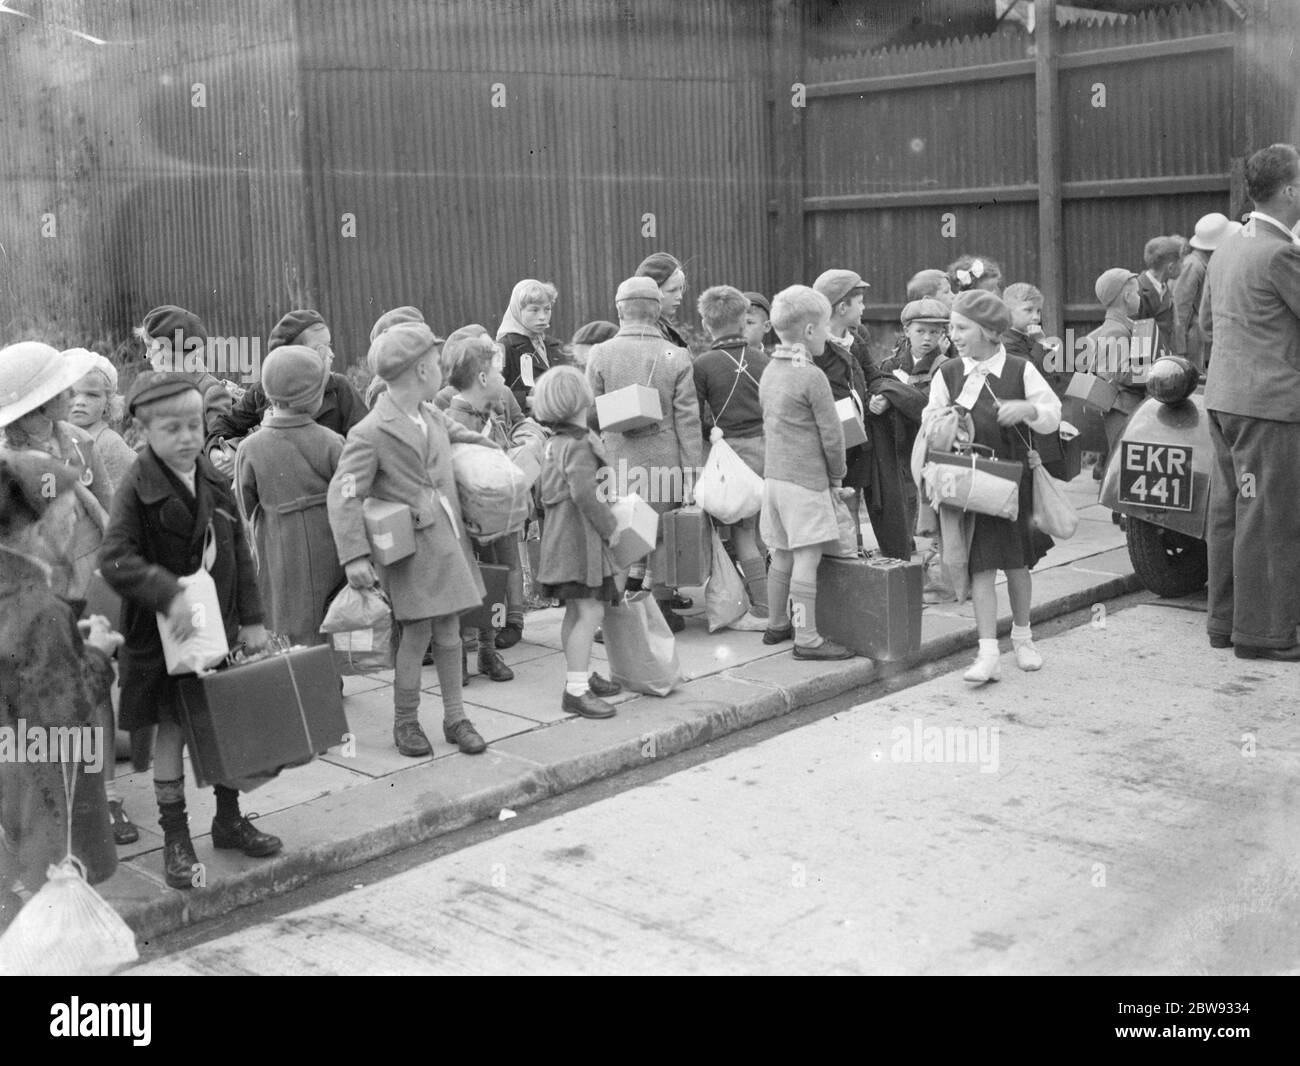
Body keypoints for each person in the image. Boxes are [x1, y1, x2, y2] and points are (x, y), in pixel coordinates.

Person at [99, 372, 279, 891]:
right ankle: (176, 838)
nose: (186, 437)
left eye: (194, 424)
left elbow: (240, 548)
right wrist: (166, 591)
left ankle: (228, 818)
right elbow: (115, 560)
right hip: (161, 636)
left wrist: (253, 619)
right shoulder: (135, 486)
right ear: (143, 431)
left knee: (219, 721)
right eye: (171, 428)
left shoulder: (211, 475)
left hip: (216, 625)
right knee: (171, 733)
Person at [327, 323, 501, 757]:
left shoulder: (430, 413)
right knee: (416, 635)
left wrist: (497, 455)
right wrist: (354, 555)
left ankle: (456, 717)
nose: (441, 368)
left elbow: (458, 436)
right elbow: (344, 493)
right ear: (420, 370)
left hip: (448, 540)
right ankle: (406, 721)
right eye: (435, 362)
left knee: (450, 631)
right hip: (412, 551)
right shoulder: (370, 431)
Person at [0, 454, 121, 931]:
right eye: (69, 517)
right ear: (37, 530)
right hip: (44, 786)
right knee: (52, 922)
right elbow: (64, 712)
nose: (74, 528)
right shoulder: (40, 609)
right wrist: (95, 653)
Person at [922, 290, 1061, 684]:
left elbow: (1053, 414)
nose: (954, 335)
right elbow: (929, 420)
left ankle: (1023, 637)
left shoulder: (1020, 369)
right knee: (980, 566)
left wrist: (1029, 409)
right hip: (969, 482)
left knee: (1017, 563)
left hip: (1014, 481)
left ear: (988, 331)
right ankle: (987, 651)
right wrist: (945, 421)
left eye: (962, 327)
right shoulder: (948, 373)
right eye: (952, 327)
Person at [1199, 143, 1300, 660]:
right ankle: (1266, 636)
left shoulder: (1228, 249)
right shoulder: (1281, 253)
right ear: (1289, 190)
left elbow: (1206, 327)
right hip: (1270, 406)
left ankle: (1225, 622)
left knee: (1231, 511)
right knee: (1270, 516)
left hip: (1225, 400)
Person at [586, 276, 703, 633]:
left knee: (623, 531)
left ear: (619, 310)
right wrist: (691, 471)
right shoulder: (676, 355)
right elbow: (688, 419)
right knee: (662, 532)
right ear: (655, 313)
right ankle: (663, 607)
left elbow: (590, 412)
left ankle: (617, 614)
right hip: (664, 457)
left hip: (617, 458)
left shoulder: (600, 353)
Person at [758, 285, 851, 660]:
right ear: (811, 331)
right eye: (826, 327)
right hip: (805, 481)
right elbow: (832, 435)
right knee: (807, 557)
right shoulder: (812, 376)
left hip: (774, 478)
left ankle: (776, 623)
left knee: (780, 553)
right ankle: (807, 637)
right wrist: (837, 475)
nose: (828, 335)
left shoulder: (771, 370)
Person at [234, 345, 345, 647]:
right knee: (329, 610)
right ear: (314, 396)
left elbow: (245, 504)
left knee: (286, 613)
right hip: (328, 541)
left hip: (278, 542)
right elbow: (350, 495)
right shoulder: (332, 441)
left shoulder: (251, 447)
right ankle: (329, 678)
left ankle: (296, 676)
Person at [532, 366, 625, 718]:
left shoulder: (556, 441)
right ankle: (576, 689)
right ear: (580, 400)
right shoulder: (579, 443)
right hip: (579, 540)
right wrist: (610, 526)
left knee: (576, 610)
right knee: (591, 610)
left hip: (562, 538)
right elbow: (586, 494)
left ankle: (581, 674)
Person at [440, 331, 532, 682]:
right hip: (467, 522)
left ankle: (488, 651)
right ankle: (462, 655)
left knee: (493, 581)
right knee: (467, 584)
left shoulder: (492, 411)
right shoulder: (455, 421)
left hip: (497, 519)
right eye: (497, 372)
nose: (502, 378)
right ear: (481, 378)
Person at [0, 343, 112, 603]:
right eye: (63, 391)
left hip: (97, 564)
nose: (73, 394)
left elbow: (108, 500)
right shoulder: (10, 464)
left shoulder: (77, 439)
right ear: (40, 405)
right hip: (46, 580)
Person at [205, 309, 365, 474]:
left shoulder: (339, 388)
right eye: (319, 349)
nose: (331, 354)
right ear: (289, 356)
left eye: (329, 346)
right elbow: (225, 423)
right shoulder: (263, 391)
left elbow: (363, 442)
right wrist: (218, 453)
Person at [693, 285, 771, 622]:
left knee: (740, 532)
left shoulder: (704, 365)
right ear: (743, 319)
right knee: (761, 530)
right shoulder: (763, 360)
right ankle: (774, 598)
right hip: (767, 451)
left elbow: (695, 417)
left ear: (706, 324)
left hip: (730, 456)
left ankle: (765, 604)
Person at [1081, 267, 1143, 469]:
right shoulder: (1116, 330)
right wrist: (1151, 375)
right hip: (1122, 407)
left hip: (1123, 405)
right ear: (1127, 296)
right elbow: (1121, 373)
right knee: (1124, 463)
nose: (1139, 297)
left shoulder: (1121, 326)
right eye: (1137, 293)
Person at [1172, 213, 1240, 369]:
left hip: (1204, 339)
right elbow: (1180, 309)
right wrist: (1180, 349)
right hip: (1192, 340)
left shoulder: (1208, 263)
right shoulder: (1193, 265)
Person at [65, 350, 137, 496]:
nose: (80, 402)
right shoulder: (58, 437)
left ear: (108, 403)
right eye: (72, 394)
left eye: (92, 395)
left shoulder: (109, 443)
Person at [497, 279, 567, 412]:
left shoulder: (555, 345)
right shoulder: (503, 347)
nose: (542, 316)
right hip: (525, 426)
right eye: (534, 310)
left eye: (547, 309)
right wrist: (527, 401)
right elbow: (493, 393)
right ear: (518, 310)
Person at [635, 252, 690, 349]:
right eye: (672, 290)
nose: (679, 296)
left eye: (681, 289)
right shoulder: (647, 334)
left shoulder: (663, 328)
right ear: (652, 293)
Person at [1136, 236, 1182, 341]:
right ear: (1170, 267)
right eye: (1180, 262)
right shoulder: (1139, 292)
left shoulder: (1164, 287)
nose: (1183, 266)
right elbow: (1139, 343)